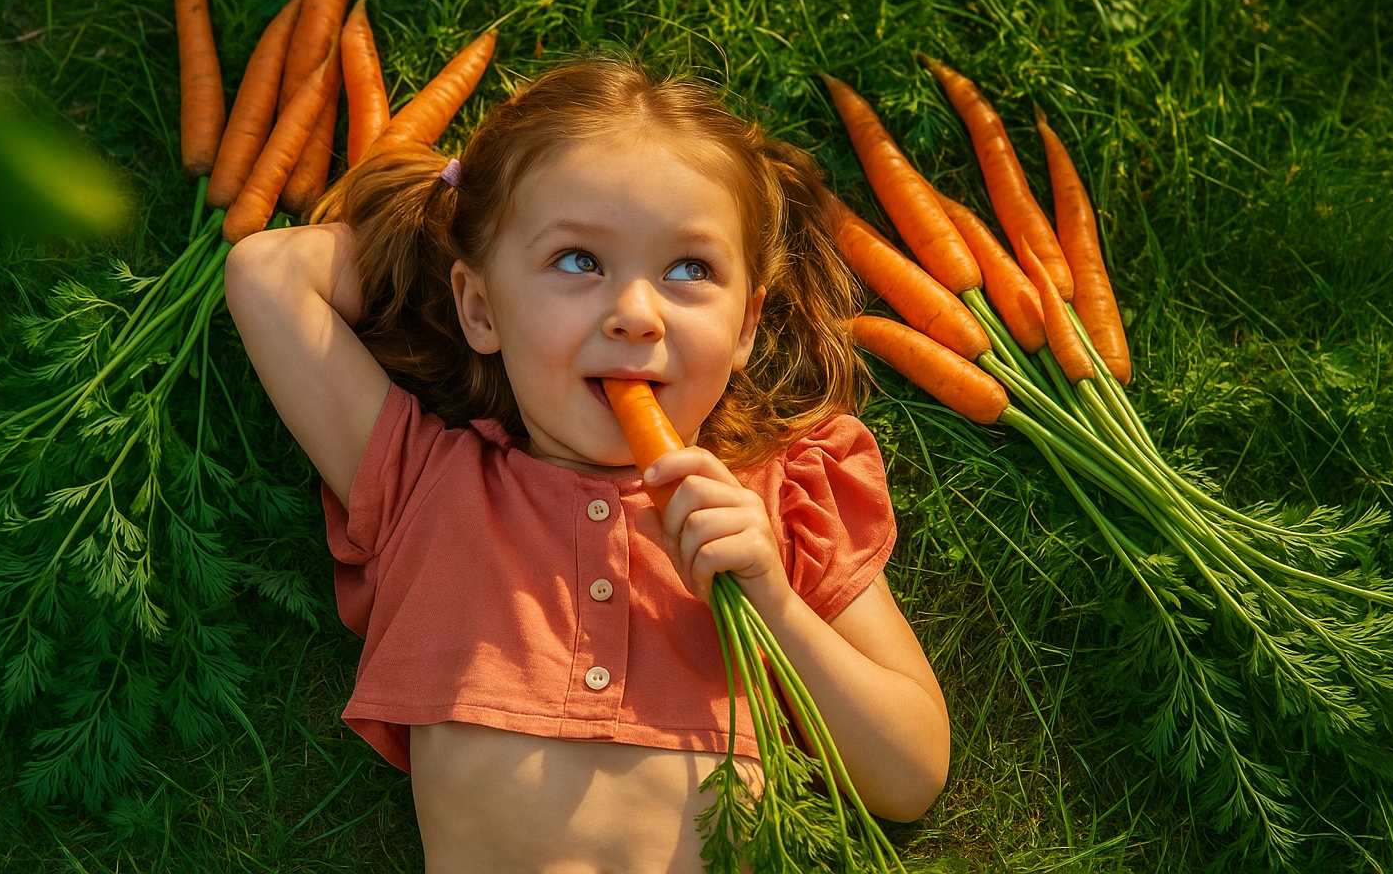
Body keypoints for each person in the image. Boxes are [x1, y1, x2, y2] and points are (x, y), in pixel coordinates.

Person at [225, 59, 949, 872]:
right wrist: (450, 221)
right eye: (578, 261)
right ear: (478, 307)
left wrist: (773, 601)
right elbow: (269, 274)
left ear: (745, 328)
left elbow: (910, 774)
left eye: (689, 270)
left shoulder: (780, 501)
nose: (636, 314)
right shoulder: (428, 484)